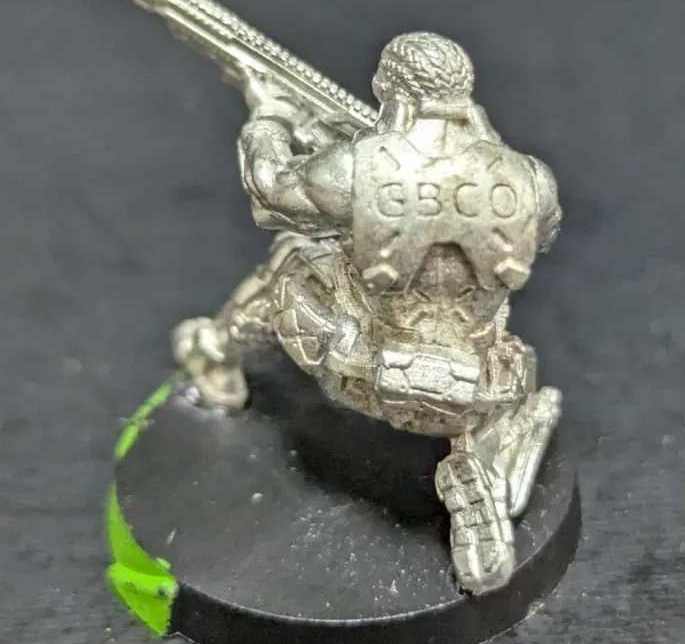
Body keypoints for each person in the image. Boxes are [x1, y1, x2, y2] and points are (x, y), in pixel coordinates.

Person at [174, 31, 562, 594]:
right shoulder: (532, 179)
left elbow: (269, 193)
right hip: (472, 396)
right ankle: (482, 466)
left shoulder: (355, 168)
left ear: (393, 92)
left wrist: (268, 117)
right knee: (509, 379)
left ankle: (214, 355)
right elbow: (531, 232)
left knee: (292, 261)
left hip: (363, 372)